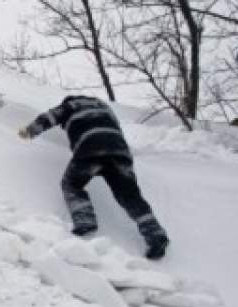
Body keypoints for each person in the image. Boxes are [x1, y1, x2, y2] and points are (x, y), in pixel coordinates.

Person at [18, 95, 169, 259]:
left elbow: (49, 117)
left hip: (90, 148)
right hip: (120, 152)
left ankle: (85, 221)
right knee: (130, 196)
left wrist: (28, 131)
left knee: (72, 184)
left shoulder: (71, 105)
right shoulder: (103, 106)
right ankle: (155, 234)